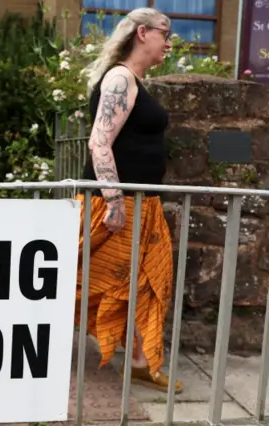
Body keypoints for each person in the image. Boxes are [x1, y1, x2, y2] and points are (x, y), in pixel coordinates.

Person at [74, 7, 182, 394]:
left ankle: (139, 362)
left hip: (143, 203)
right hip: (120, 203)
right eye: (164, 33)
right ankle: (25, 332)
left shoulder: (133, 79)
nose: (169, 42)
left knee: (146, 283)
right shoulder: (120, 78)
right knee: (87, 278)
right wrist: (115, 202)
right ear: (141, 33)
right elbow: (99, 141)